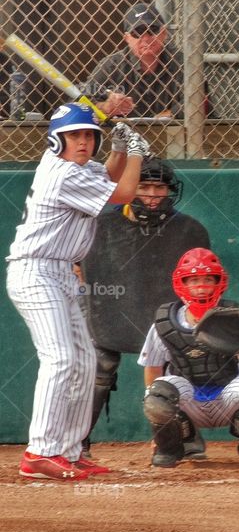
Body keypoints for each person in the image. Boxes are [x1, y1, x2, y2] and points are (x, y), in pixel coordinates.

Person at [6, 104, 149, 479]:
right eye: (75, 136)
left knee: (84, 361)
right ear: (58, 140)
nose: (83, 142)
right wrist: (136, 152)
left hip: (61, 273)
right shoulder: (64, 174)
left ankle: (68, 450)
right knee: (60, 359)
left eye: (89, 135)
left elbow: (108, 176)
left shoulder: (79, 170)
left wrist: (119, 150)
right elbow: (124, 192)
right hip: (36, 272)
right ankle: (40, 451)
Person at [79, 156, 211, 459]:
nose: (152, 195)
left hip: (164, 319)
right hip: (108, 312)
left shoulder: (189, 231)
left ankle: (177, 438)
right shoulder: (101, 225)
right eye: (144, 187)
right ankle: (78, 441)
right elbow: (80, 271)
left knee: (179, 359)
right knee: (100, 363)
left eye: (159, 188)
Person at [138, 248, 239, 469]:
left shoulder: (232, 316)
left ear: (218, 282)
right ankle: (169, 448)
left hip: (227, 399)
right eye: (193, 280)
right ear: (182, 284)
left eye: (207, 279)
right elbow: (152, 370)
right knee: (158, 393)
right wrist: (158, 419)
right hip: (187, 403)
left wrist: (237, 344)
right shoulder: (165, 323)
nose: (201, 286)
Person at [82, 2, 213, 119]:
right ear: (127, 38)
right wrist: (106, 107)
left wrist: (166, 116)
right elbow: (78, 101)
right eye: (137, 33)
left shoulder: (182, 62)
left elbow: (202, 101)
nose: (145, 38)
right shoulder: (111, 65)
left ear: (164, 33)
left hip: (177, 137)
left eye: (152, 30)